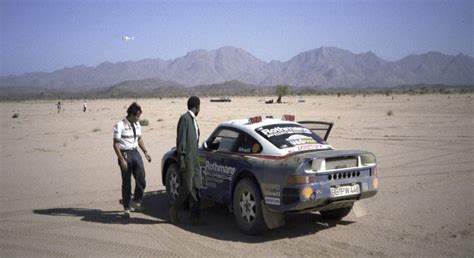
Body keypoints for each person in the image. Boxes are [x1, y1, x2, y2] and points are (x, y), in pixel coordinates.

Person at [113, 102, 152, 218]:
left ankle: (136, 201)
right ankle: (126, 208)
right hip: (125, 154)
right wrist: (121, 159)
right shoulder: (119, 125)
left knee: (142, 179)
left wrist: (145, 151)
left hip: (135, 153)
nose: (139, 118)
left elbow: (139, 138)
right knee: (126, 183)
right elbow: (115, 144)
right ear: (131, 115)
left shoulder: (137, 125)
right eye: (137, 116)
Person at [169, 96, 202, 225]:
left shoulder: (194, 120)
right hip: (187, 158)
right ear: (197, 107)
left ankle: (194, 216)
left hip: (195, 158)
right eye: (199, 107)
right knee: (187, 187)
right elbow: (181, 140)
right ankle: (174, 208)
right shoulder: (185, 119)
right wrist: (181, 158)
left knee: (196, 186)